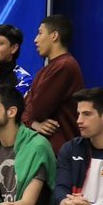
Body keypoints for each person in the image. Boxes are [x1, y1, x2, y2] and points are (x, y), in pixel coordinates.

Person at [24, 14, 84, 154]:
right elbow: (26, 107)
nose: (35, 40)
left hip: (61, 152)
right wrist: (32, 122)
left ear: (54, 36)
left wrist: (30, 119)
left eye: (40, 33)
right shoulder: (46, 70)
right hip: (48, 150)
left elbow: (36, 110)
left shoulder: (64, 66)